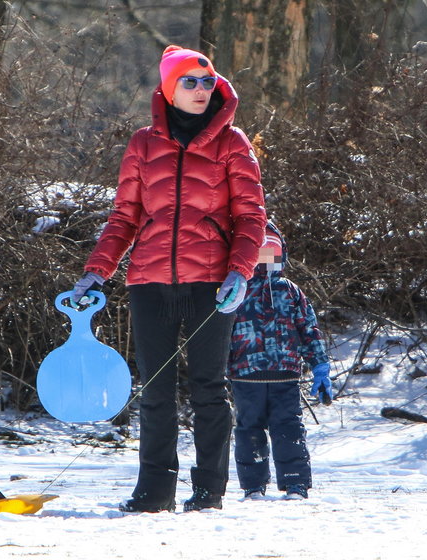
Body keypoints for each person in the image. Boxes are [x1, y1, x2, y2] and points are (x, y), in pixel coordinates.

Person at [71, 45, 267, 512]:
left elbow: (251, 217)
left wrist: (239, 271)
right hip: (149, 281)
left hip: (211, 285)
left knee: (208, 388)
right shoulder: (143, 143)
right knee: (155, 390)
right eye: (189, 82)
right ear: (167, 88)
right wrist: (96, 271)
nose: (201, 90)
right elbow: (124, 216)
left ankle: (208, 491)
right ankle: (154, 491)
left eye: (207, 82)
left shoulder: (232, 142)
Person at [227, 222, 332, 501]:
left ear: (281, 254)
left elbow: (309, 329)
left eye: (271, 251)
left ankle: (295, 483)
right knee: (249, 431)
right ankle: (253, 486)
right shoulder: (236, 289)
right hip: (245, 375)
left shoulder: (291, 291)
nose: (265, 259)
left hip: (285, 375)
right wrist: (218, 367)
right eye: (259, 252)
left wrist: (319, 365)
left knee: (289, 429)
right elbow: (221, 331)